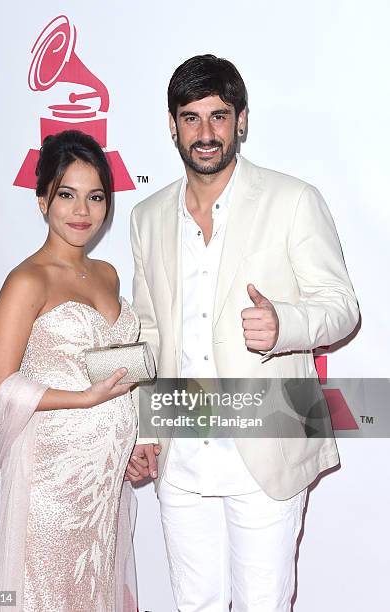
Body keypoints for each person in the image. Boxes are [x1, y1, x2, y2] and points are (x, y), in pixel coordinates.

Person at [126, 55, 359, 611]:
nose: (205, 133)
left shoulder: (293, 200)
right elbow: (150, 334)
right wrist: (143, 428)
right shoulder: (148, 215)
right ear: (172, 125)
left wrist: (286, 324)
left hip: (268, 445)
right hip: (182, 455)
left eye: (218, 116)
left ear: (242, 121)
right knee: (193, 605)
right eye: (190, 118)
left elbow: (342, 306)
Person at [0, 130, 139, 612]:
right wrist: (84, 399)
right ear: (42, 198)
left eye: (95, 197)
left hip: (105, 479)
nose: (82, 211)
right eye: (67, 195)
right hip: (51, 479)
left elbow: (119, 369)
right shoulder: (29, 279)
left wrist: (137, 436)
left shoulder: (108, 274)